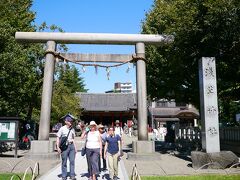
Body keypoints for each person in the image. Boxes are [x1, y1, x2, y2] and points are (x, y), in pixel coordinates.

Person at [56, 114, 77, 180]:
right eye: (69, 121)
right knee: (64, 161)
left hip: (71, 146)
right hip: (65, 147)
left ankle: (72, 175)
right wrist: (58, 147)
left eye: (71, 121)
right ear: (66, 121)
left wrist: (75, 148)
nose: (71, 122)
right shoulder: (62, 128)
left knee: (72, 161)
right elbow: (58, 137)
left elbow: (73, 139)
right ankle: (64, 175)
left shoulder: (72, 129)